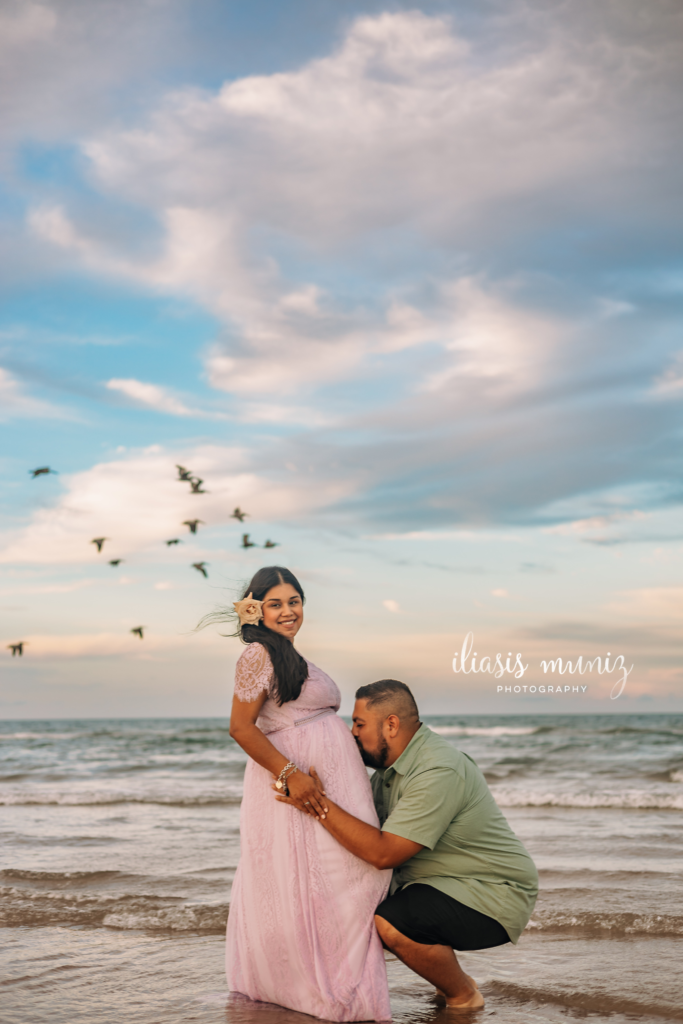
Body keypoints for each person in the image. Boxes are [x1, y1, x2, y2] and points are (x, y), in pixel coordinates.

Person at [276, 678, 539, 1011]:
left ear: (391, 724)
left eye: (359, 724)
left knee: (393, 922)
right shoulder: (388, 773)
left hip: (494, 895)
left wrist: (316, 803)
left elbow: (384, 853)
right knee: (340, 906)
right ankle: (451, 983)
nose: (352, 733)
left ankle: (463, 996)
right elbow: (357, 832)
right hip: (441, 886)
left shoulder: (437, 769)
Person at [223, 566, 392, 1022]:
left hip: (321, 780)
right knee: (328, 879)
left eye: (294, 601)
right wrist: (291, 775)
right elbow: (241, 727)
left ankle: (329, 984)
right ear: (256, 608)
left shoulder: (289, 656)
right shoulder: (258, 655)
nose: (288, 611)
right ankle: (326, 989)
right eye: (275, 603)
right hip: (296, 784)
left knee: (342, 880)